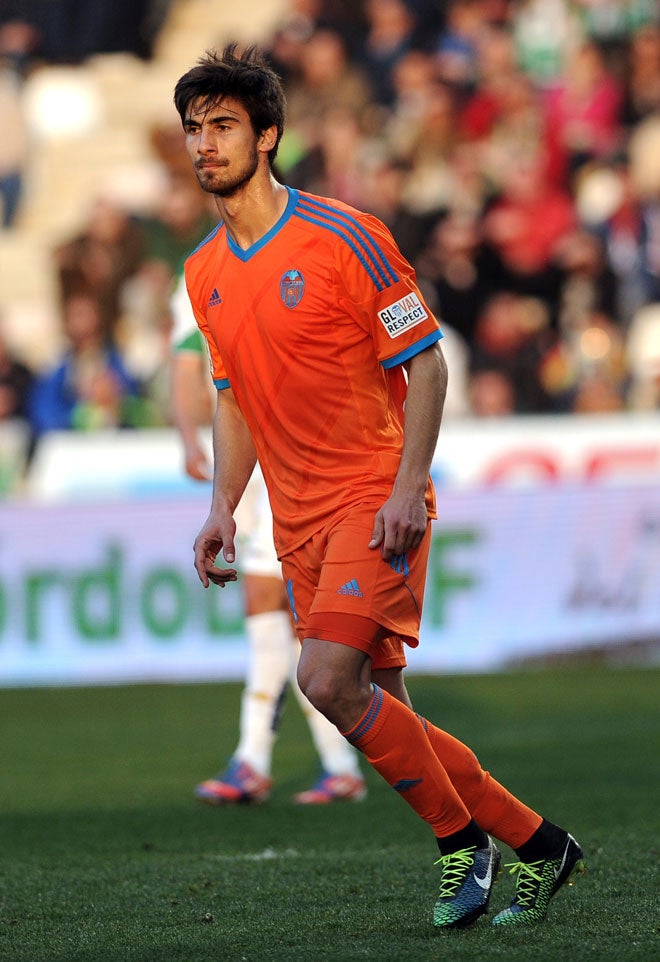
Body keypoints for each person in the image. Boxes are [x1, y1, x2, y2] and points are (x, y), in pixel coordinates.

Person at [174, 44, 585, 930]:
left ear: (269, 134)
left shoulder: (342, 235)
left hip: (374, 495)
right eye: (194, 128)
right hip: (295, 519)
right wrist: (219, 506)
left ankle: (459, 843)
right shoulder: (203, 273)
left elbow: (427, 367)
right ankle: (543, 847)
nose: (204, 144)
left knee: (323, 681)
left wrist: (409, 487)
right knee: (386, 711)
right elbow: (231, 394)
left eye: (223, 125)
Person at [169, 275, 366, 804]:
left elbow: (185, 370)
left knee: (283, 608)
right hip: (255, 459)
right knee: (281, 613)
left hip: (282, 460)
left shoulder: (216, 272)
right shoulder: (208, 272)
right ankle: (332, 764)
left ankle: (259, 759)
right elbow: (190, 369)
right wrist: (192, 441)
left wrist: (189, 442)